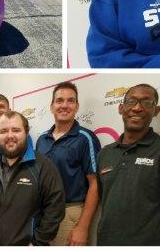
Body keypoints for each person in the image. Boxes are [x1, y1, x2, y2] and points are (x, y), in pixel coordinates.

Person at [96, 84, 160, 245]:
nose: (137, 108)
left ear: (155, 111)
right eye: (131, 101)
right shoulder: (105, 153)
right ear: (121, 108)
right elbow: (105, 199)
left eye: (147, 103)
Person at [0, 110, 65, 246]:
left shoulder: (43, 166)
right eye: (3, 131)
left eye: (16, 130)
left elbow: (55, 208)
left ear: (26, 133)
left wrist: (37, 242)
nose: (10, 136)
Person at [36, 82, 101, 246]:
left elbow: (95, 183)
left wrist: (82, 227)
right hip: (42, 213)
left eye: (70, 101)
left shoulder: (85, 138)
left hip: (69, 213)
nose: (64, 105)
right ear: (51, 106)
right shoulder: (42, 139)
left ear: (77, 106)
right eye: (59, 101)